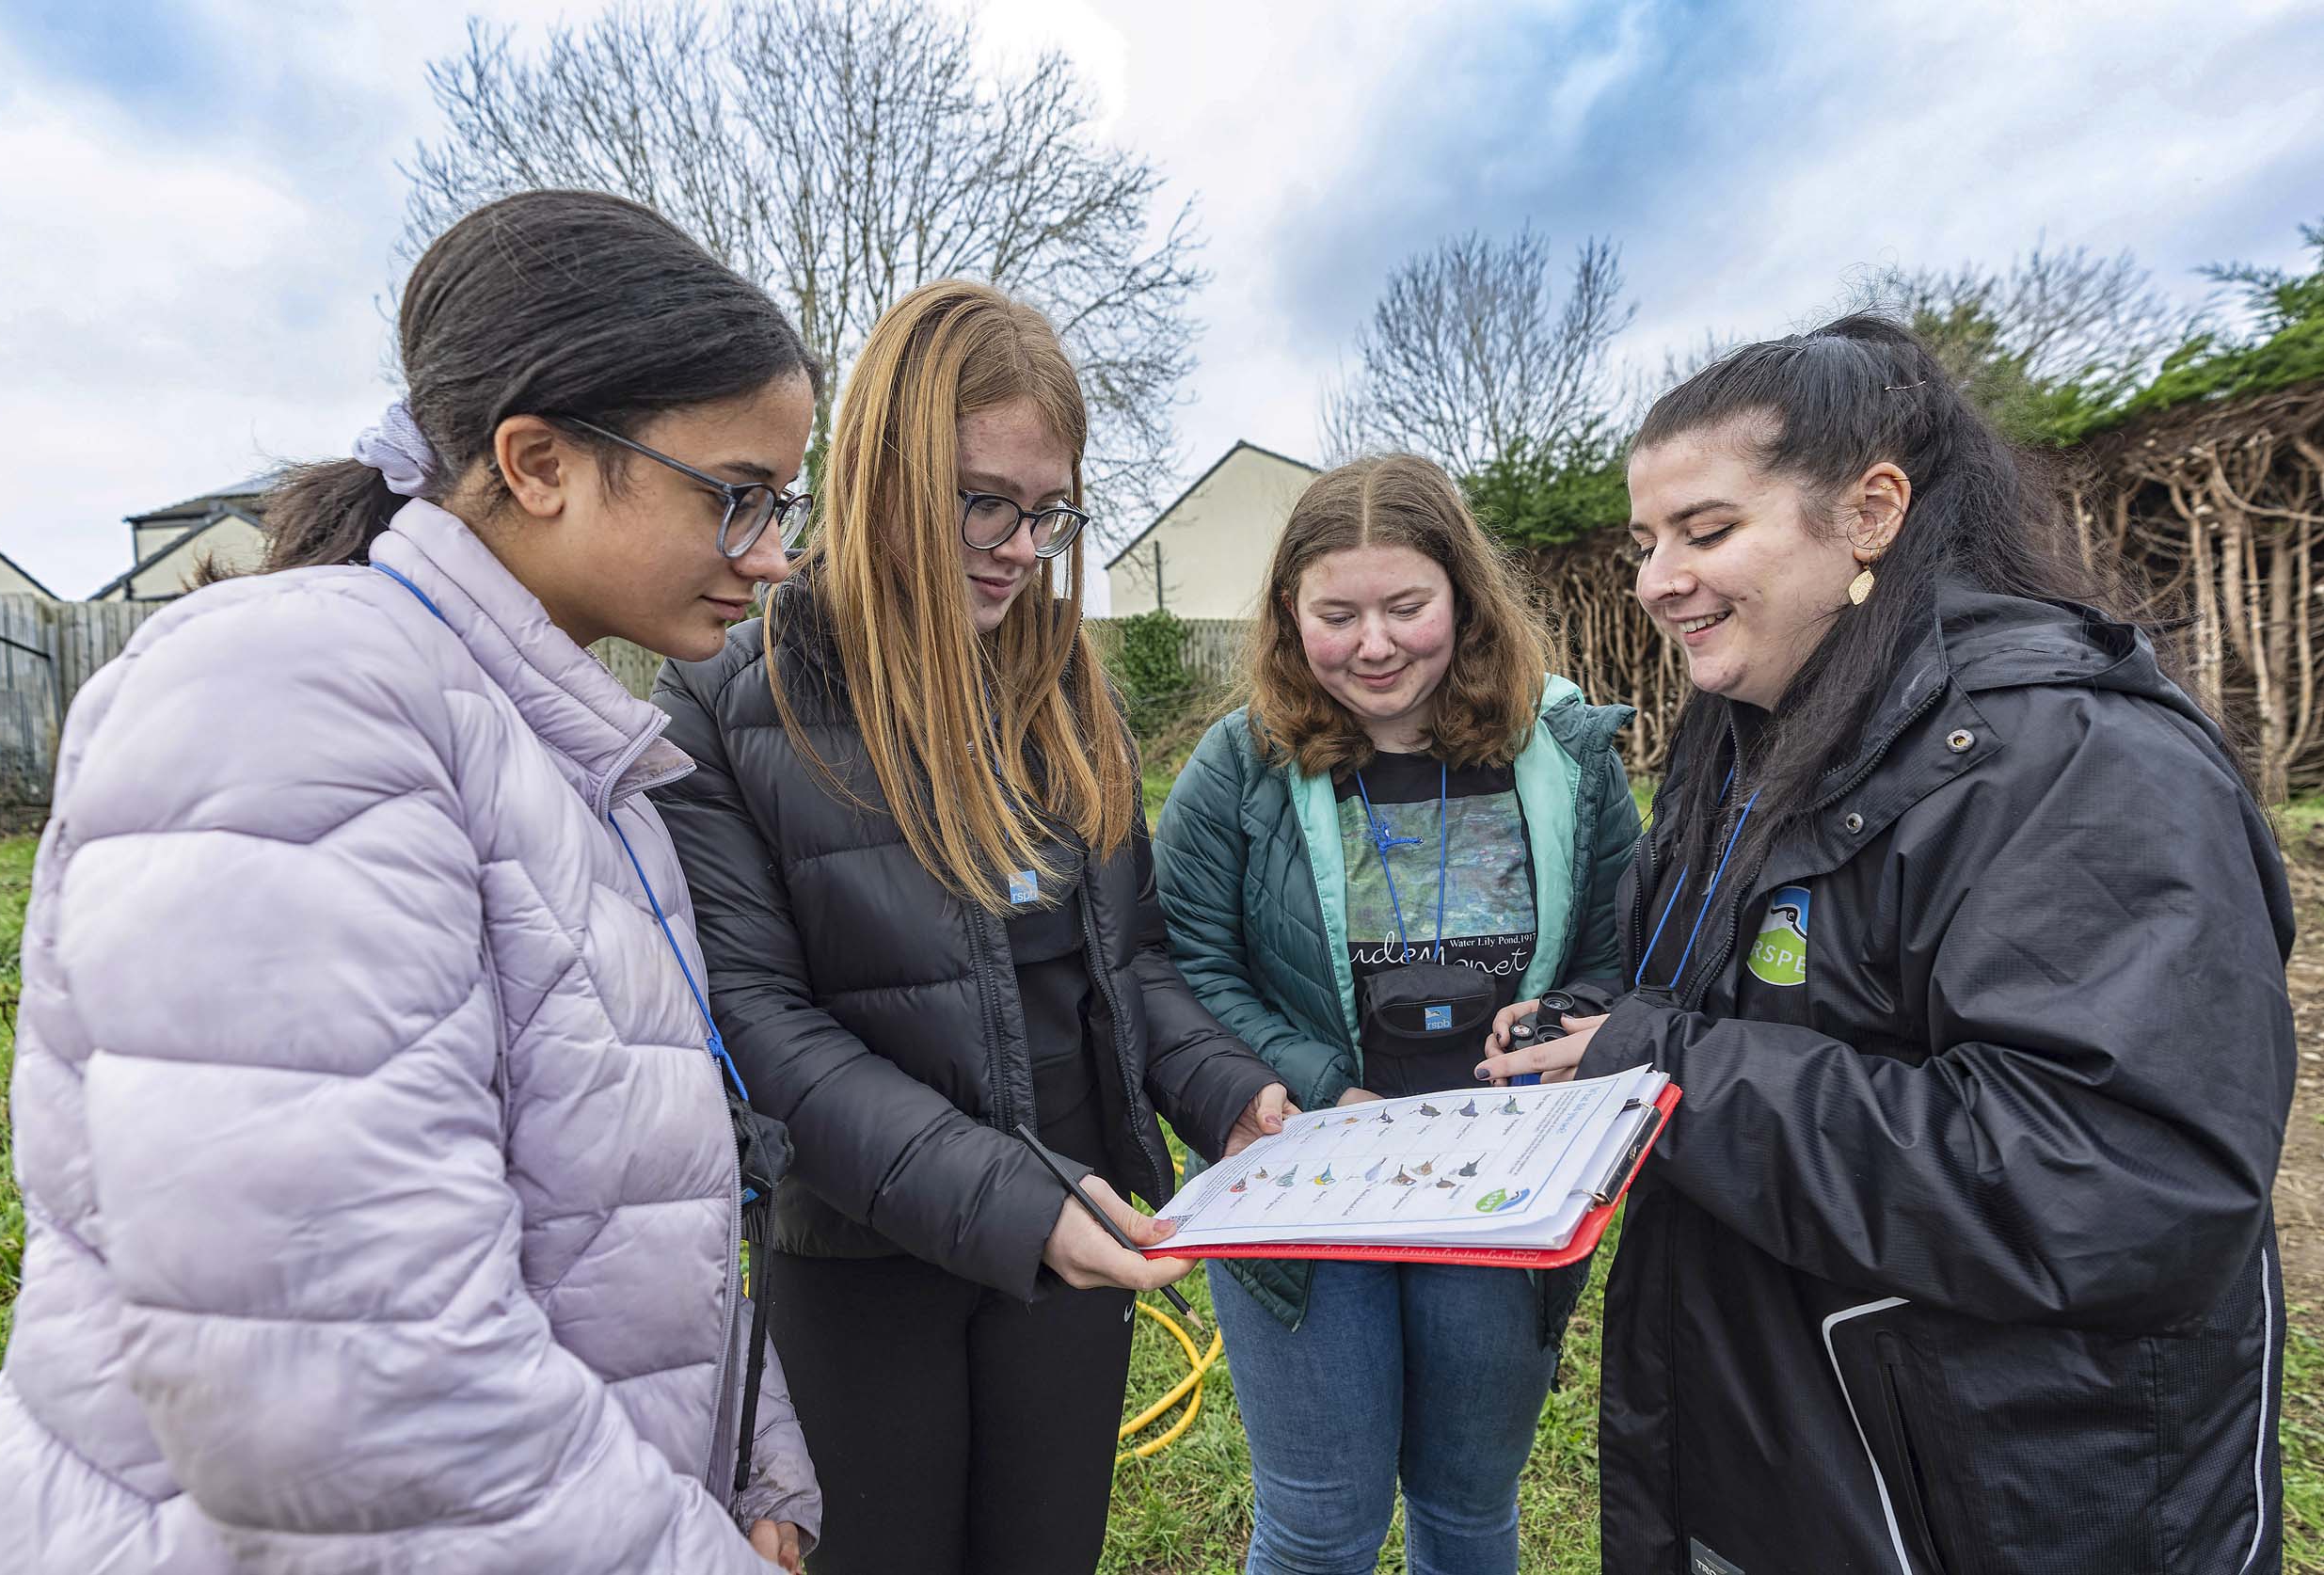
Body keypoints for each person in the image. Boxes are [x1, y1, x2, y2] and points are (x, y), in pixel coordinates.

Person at [0, 190, 827, 1575]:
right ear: (539, 459)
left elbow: (620, 1219)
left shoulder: (560, 758)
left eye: (782, 502)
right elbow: (343, 1379)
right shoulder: (294, 701)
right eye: (735, 496)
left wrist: (749, 1452)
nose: (775, 553)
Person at [1475, 315, 2296, 1573]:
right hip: (1782, 1440)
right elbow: (1722, 994)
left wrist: (1660, 1073)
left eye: (1706, 532)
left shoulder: (2073, 759)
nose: (1653, 580)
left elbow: (2112, 1178)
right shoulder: (1747, 732)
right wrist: (1592, 1028)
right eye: (1646, 543)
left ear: (1870, 511)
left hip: (1983, 1494)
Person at [647, 278, 1288, 1575]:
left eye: (1047, 511)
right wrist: (1007, 1195)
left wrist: (1232, 1096)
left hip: (1076, 1235)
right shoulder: (728, 697)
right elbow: (758, 1024)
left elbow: (1129, 964)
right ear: (882, 472)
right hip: (859, 1251)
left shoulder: (1067, 695)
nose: (1016, 544)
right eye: (981, 500)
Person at [1150, 452, 1641, 1575]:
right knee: (1321, 1526)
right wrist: (1320, 1086)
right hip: (1304, 1173)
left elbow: (1626, 957)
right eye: (1337, 614)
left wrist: (1560, 1015)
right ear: (1288, 616)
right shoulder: (1241, 766)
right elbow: (1185, 966)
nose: (1374, 645)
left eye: (1405, 606)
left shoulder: (1564, 754)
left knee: (1469, 1512)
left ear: (1463, 598)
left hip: (1499, 1182)